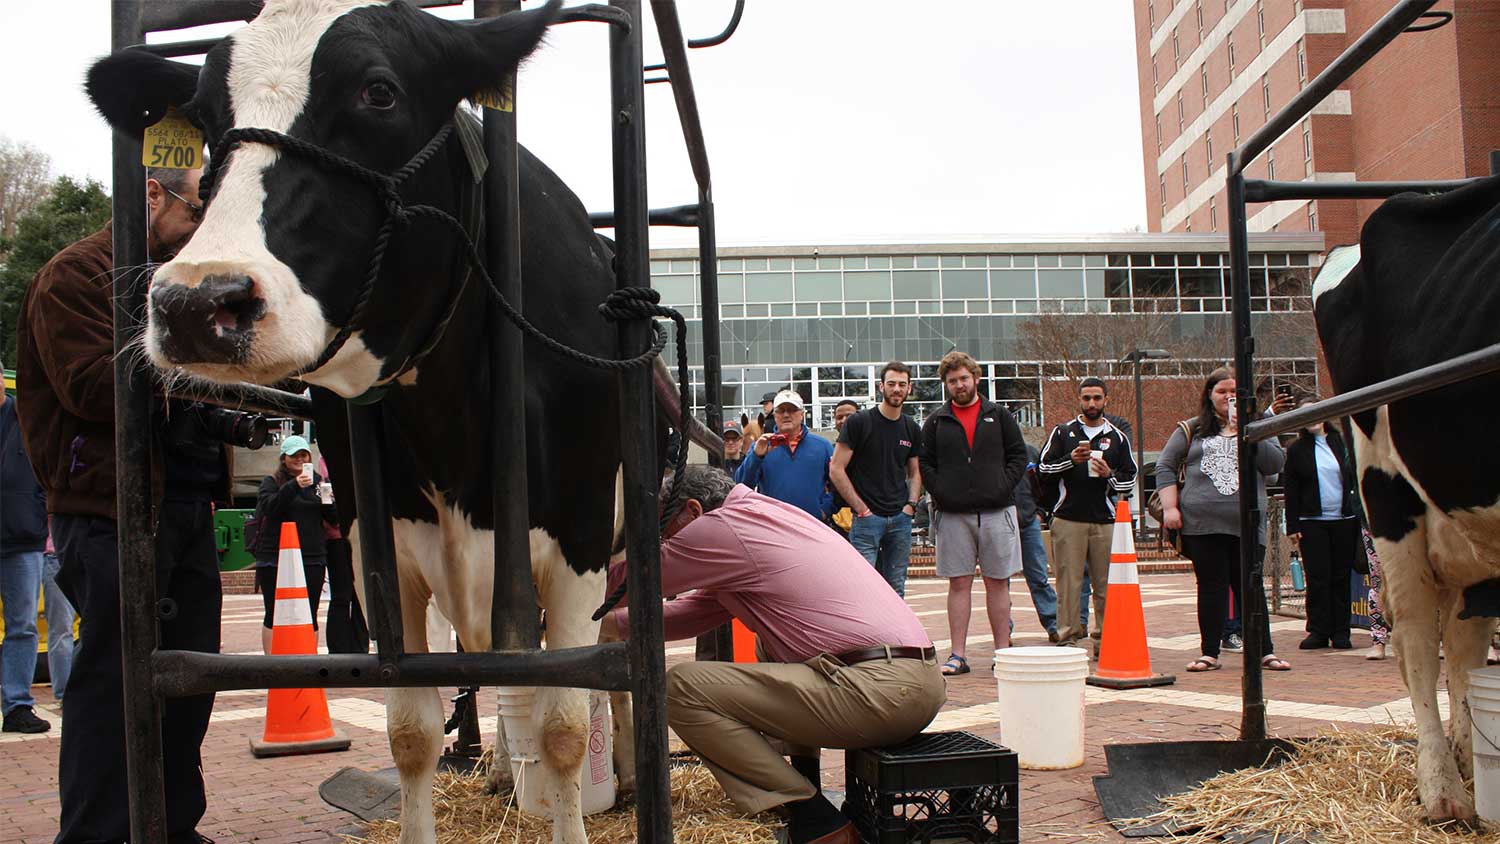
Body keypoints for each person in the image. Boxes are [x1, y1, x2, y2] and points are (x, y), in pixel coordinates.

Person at [15, 166, 227, 844]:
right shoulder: (76, 275)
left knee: (189, 684)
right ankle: (97, 834)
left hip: (186, 505)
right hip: (111, 510)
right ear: (152, 195)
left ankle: (171, 826)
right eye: (198, 209)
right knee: (114, 684)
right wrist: (186, 357)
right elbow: (87, 387)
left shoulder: (179, 279)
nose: (204, 228)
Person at [605, 466, 944, 844]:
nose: (667, 545)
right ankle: (808, 783)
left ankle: (815, 820)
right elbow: (693, 614)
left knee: (681, 687)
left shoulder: (720, 528)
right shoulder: (766, 517)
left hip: (875, 691)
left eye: (665, 535)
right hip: (916, 682)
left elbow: (633, 580)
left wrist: (554, 585)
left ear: (693, 512)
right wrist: (609, 626)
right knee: (772, 640)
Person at [1155, 367, 1290, 673]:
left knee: (1251, 588)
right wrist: (1170, 508)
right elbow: (1164, 465)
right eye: (1222, 391)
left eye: (1235, 391)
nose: (1229, 397)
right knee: (1212, 588)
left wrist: (1250, 431)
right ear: (1209, 395)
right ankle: (1209, 653)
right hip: (1202, 524)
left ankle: (1264, 651)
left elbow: (1275, 465)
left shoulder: (1259, 425)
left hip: (1247, 523)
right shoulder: (1191, 429)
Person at [919, 351, 1027, 676]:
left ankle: (1003, 653)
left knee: (998, 583)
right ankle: (957, 655)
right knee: (959, 583)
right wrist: (943, 492)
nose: (959, 385)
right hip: (953, 515)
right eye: (952, 381)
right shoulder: (936, 422)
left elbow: (1018, 456)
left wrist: (1001, 487)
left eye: (964, 378)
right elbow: (925, 463)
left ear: (976, 379)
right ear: (946, 385)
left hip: (997, 511)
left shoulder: (1000, 415)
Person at [1038, 378, 1138, 650]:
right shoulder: (1062, 433)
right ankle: (1067, 637)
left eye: (1096, 398)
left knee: (1106, 585)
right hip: (1069, 518)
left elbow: (1131, 479)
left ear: (1106, 399)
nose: (1091, 403)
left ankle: (1105, 640)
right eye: (1086, 398)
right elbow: (1042, 469)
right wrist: (1071, 459)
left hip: (1105, 520)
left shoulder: (1117, 437)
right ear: (1079, 399)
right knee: (1069, 583)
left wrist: (1110, 476)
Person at [830, 362, 922, 596]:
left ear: (909, 388)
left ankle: (895, 634)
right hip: (866, 520)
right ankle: (862, 634)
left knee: (896, 588)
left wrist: (911, 505)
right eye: (891, 384)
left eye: (902, 384)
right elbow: (836, 469)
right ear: (881, 387)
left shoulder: (911, 427)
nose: (897, 389)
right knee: (862, 589)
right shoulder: (859, 423)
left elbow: (914, 472)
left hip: (900, 520)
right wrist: (861, 509)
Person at [1282, 417, 1361, 650]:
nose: (1312, 420)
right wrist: (1293, 525)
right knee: (1318, 577)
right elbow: (1291, 488)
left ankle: (1341, 632)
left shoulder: (1342, 442)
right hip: (1311, 522)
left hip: (1344, 520)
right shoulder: (1296, 449)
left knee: (1341, 576)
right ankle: (1318, 630)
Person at [1, 368, 50, 733]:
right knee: (21, 625)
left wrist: (40, 511)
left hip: (23, 536)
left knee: (23, 625)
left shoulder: (25, 415)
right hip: (23, 531)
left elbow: (48, 463)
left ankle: (17, 705)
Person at [253, 435, 329, 655]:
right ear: (283, 458)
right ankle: (271, 663)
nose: (299, 459)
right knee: (274, 611)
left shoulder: (318, 482)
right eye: (294, 455)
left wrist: (328, 497)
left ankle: (310, 661)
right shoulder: (272, 482)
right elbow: (270, 507)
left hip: (312, 556)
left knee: (310, 611)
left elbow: (332, 519)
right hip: (275, 557)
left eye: (303, 454)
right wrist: (294, 486)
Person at [735, 390, 834, 521]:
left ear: (802, 414)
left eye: (792, 410)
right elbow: (742, 486)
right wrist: (756, 456)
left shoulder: (822, 446)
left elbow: (837, 485)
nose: (786, 415)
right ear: (775, 415)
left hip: (813, 525)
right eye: (781, 410)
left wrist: (825, 509)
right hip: (774, 526)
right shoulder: (762, 446)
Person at [318, 456, 368, 654]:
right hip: (337, 540)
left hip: (358, 538)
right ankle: (338, 649)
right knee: (341, 595)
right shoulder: (325, 471)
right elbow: (328, 510)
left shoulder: (360, 463)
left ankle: (360, 647)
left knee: (359, 594)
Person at [1012, 443, 1061, 641]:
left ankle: (1054, 625)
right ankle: (1003, 630)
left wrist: (1040, 513)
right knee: (999, 583)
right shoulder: (988, 450)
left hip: (1029, 521)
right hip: (1000, 522)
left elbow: (1043, 485)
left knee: (1039, 576)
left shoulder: (1029, 451)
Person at [42, 525, 76, 701]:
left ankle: (70, 691)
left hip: (72, 551)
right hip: (53, 553)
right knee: (61, 629)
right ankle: (64, 694)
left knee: (62, 629)